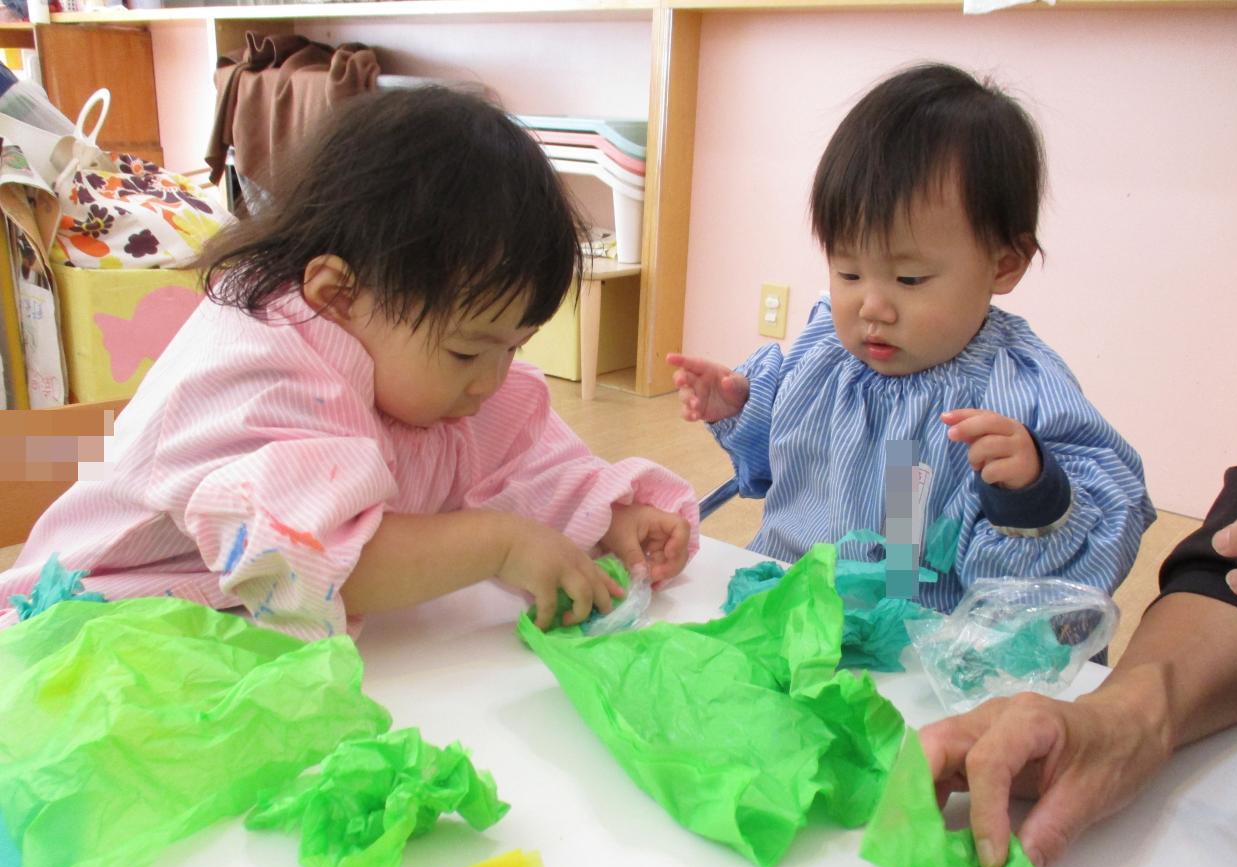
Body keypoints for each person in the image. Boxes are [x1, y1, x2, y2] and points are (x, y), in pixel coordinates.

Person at [0, 86, 697, 639]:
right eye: (467, 350)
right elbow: (304, 558)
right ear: (337, 294)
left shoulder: (432, 368)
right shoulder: (258, 370)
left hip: (230, 641)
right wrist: (501, 546)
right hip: (84, 632)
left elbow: (522, 465)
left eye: (513, 346)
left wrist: (610, 515)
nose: (490, 380)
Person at [666, 62, 1155, 612]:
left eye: (910, 279)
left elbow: (1094, 549)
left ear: (1004, 264)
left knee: (901, 580)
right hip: (790, 601)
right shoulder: (825, 352)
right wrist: (742, 407)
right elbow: (780, 466)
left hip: (918, 635)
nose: (871, 306)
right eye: (849, 272)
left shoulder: (1017, 388)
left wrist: (1033, 493)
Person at [920, 368, 1237, 867]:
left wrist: (1031, 497)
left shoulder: (1025, 387)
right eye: (846, 284)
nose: (875, 322)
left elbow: (1066, 572)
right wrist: (1118, 719)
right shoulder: (825, 363)